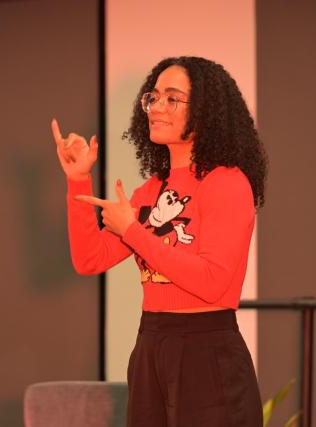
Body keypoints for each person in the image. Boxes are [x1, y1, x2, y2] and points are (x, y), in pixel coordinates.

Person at [51, 56, 268, 427]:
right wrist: (78, 180)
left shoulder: (227, 182)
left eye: (173, 98)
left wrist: (133, 231)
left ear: (206, 110)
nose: (157, 107)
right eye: (153, 97)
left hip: (206, 349)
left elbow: (212, 281)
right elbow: (89, 260)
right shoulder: (151, 190)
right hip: (151, 342)